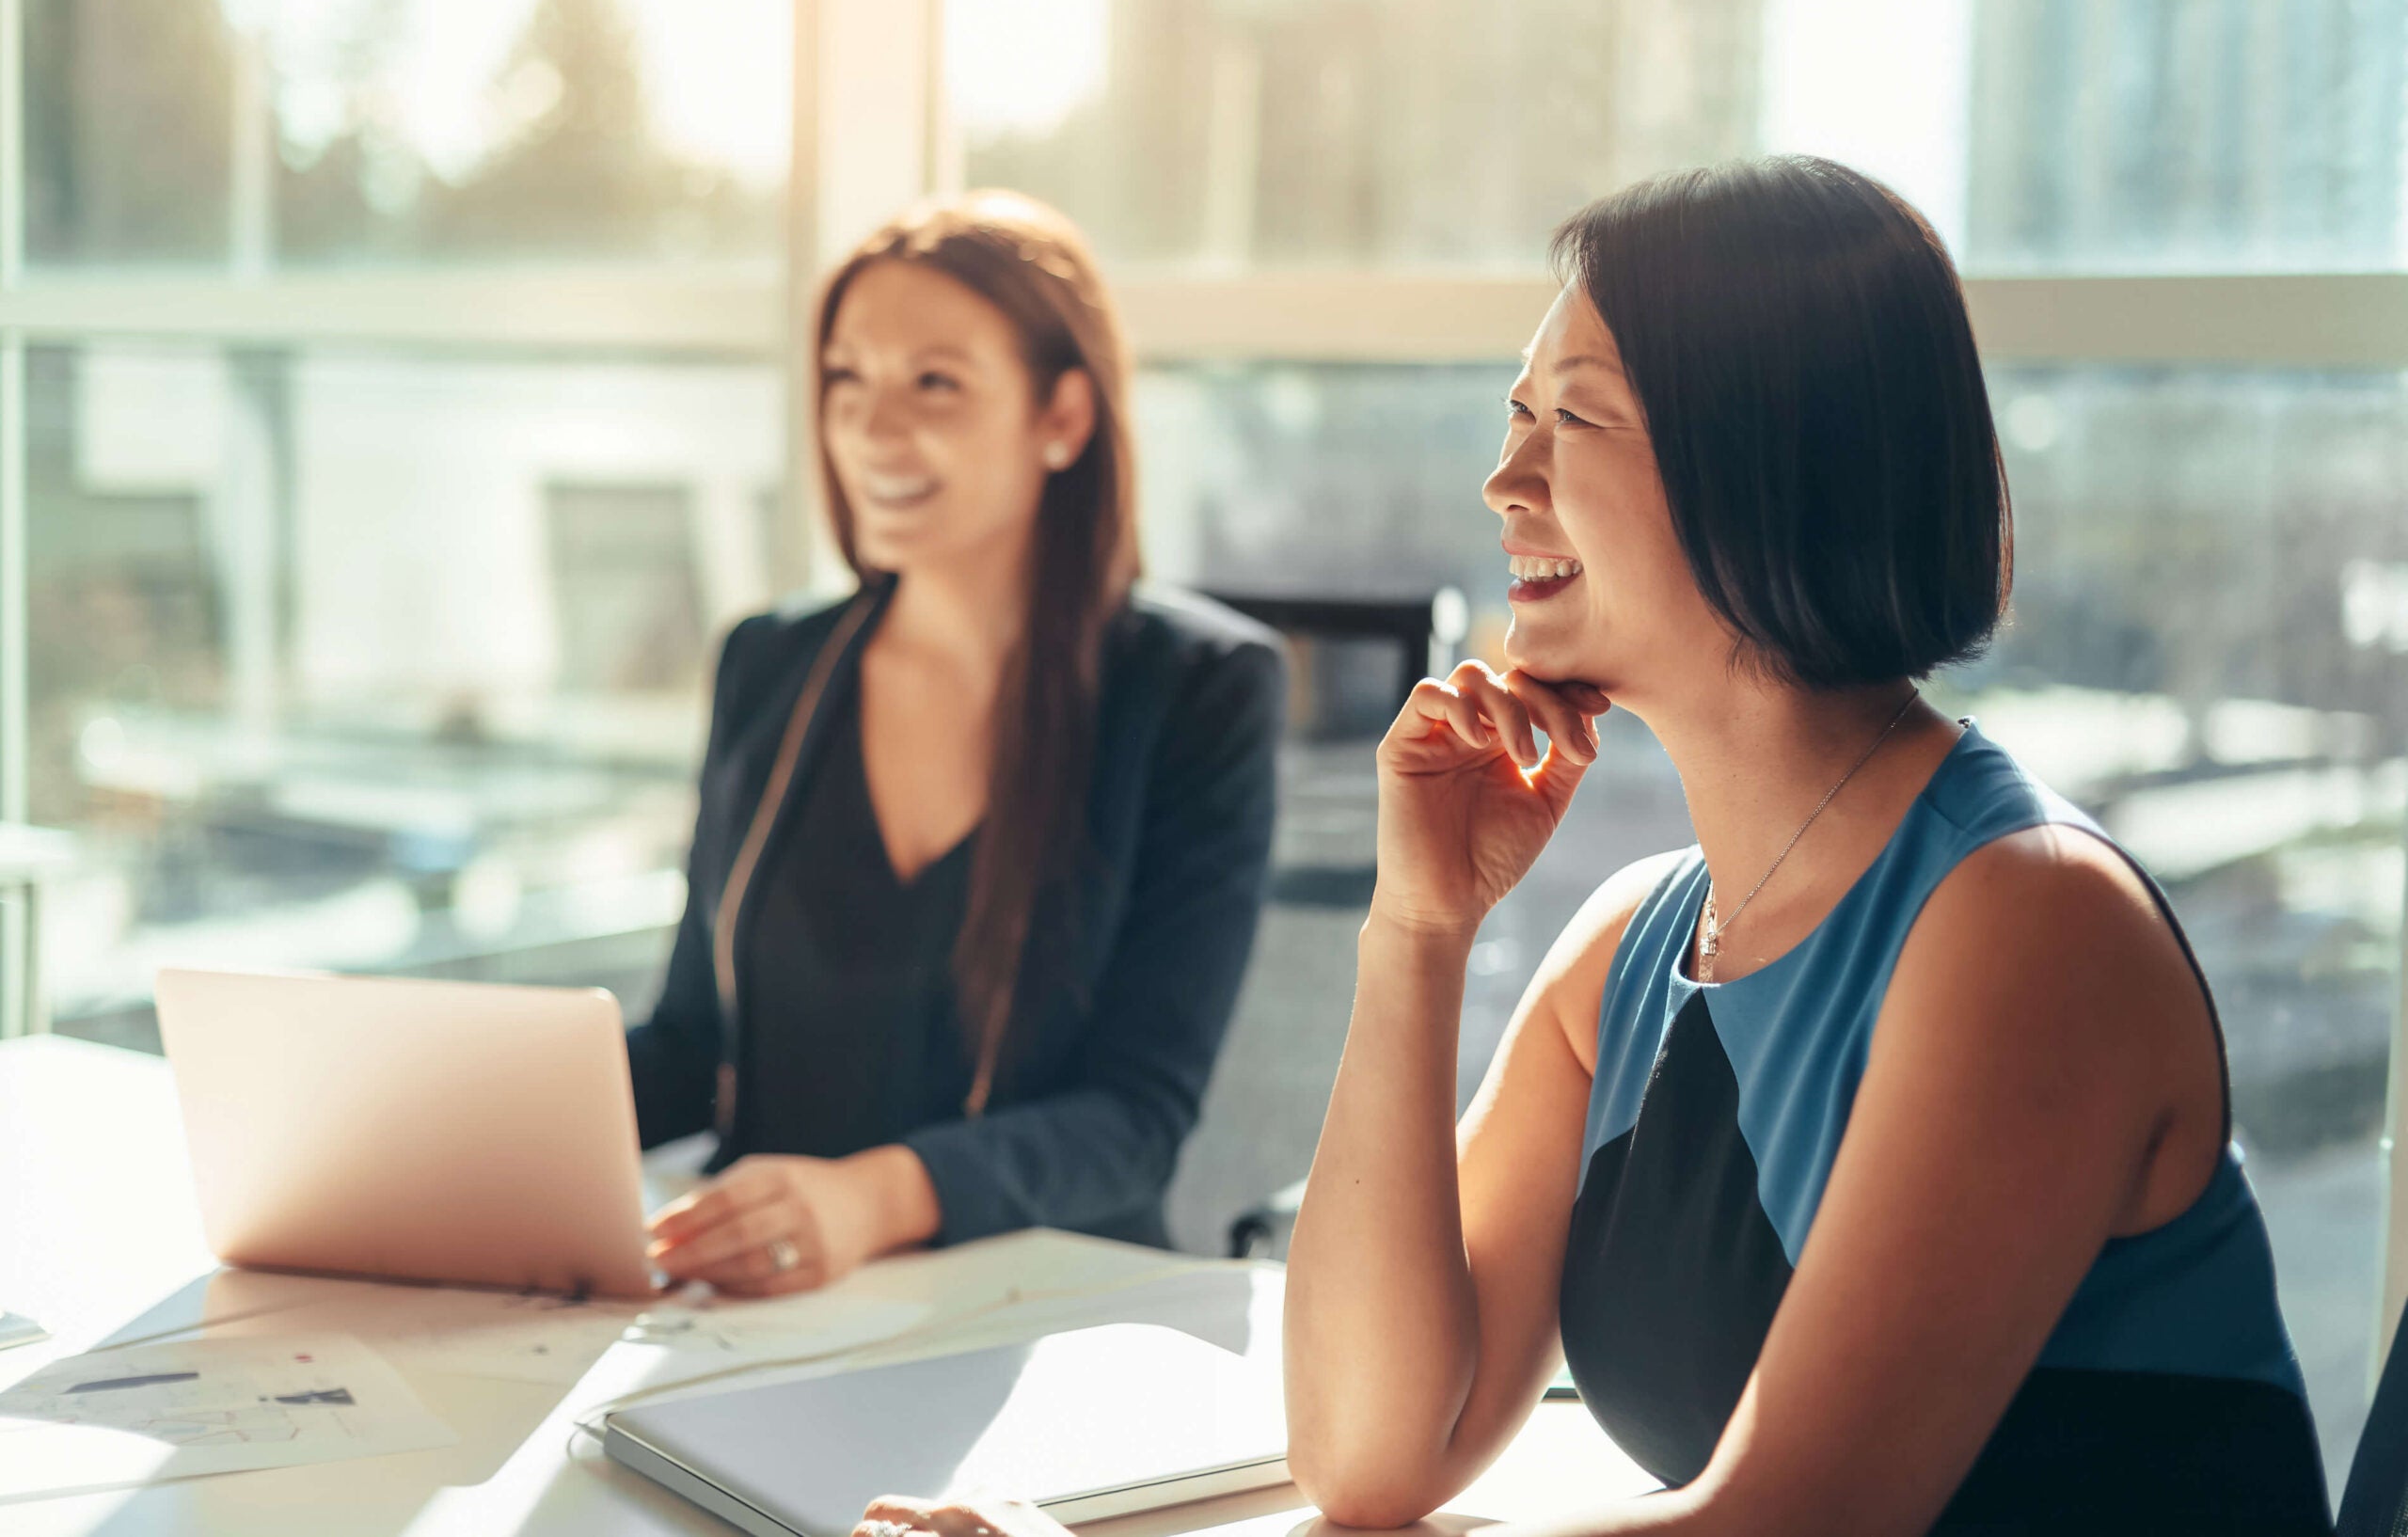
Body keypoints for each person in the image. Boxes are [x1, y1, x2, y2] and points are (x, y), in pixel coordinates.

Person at [856, 157, 2328, 1537]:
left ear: (1769, 457)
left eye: (1575, 417)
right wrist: (1416, 926)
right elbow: (1371, 1453)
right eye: (1514, 417)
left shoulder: (2031, 923)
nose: (1506, 480)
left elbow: (1780, 1525)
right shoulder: (1637, 946)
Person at [628, 191, 1286, 1295]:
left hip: (1040, 1311)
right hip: (764, 1299)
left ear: (1062, 418)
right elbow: (698, 1045)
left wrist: (867, 1198)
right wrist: (478, 1115)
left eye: (935, 384)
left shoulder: (1196, 692)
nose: (874, 430)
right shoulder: (769, 665)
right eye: (847, 380)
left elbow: (1138, 1117)